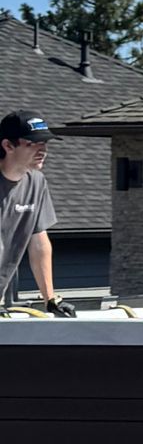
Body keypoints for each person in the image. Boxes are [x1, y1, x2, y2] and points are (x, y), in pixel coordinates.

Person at [0, 112, 72, 314]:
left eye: (45, 143)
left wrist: (50, 300)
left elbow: (39, 243)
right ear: (8, 146)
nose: (43, 150)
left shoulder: (36, 182)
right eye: (32, 143)